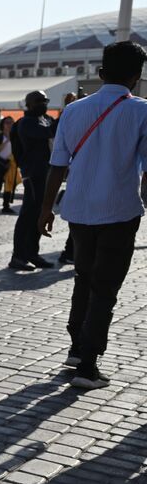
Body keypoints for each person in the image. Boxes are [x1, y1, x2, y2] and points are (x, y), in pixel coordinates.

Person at [39, 41, 147, 389]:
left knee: (83, 279)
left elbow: (58, 165)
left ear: (100, 73)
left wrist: (44, 210)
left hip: (79, 211)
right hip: (119, 211)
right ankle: (88, 365)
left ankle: (75, 347)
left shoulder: (73, 110)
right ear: (137, 76)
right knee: (105, 288)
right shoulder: (142, 111)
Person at [8, 91, 56, 270]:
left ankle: (32, 253)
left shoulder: (46, 118)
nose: (43, 104)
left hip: (47, 173)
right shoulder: (26, 123)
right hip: (33, 174)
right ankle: (18, 256)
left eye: (45, 100)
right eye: (39, 101)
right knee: (28, 215)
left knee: (40, 213)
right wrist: (69, 110)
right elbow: (48, 132)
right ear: (28, 104)